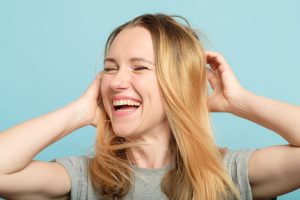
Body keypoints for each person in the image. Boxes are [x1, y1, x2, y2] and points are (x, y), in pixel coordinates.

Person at [0, 13, 299, 200]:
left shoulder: (231, 174)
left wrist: (239, 102)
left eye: (139, 68)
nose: (116, 82)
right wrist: (76, 114)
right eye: (110, 68)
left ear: (178, 83)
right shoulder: (81, 178)